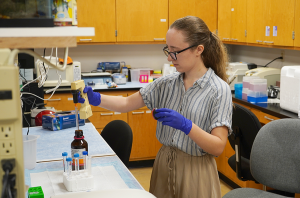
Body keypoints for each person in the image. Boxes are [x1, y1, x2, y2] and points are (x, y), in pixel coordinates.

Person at [78, 16, 232, 198]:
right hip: (164, 165)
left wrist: (187, 126)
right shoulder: (166, 83)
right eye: (168, 49)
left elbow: (218, 147)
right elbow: (127, 103)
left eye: (175, 51)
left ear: (199, 50)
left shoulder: (218, 89)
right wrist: (96, 98)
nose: (169, 57)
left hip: (196, 170)